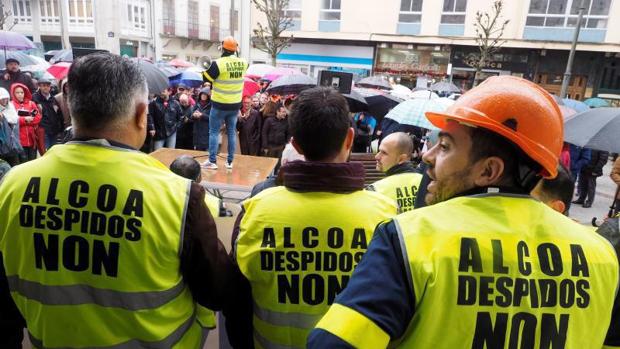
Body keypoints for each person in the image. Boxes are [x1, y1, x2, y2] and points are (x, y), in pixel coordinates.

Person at [308, 76, 620, 348]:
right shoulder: (601, 254)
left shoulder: (409, 237)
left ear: (488, 171)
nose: (427, 157)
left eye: (444, 147)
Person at [0, 53, 234, 348]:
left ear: (71, 108)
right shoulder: (179, 196)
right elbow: (218, 291)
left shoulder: (11, 186)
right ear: (141, 113)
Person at [224, 87, 398, 348]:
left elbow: (236, 303)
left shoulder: (255, 210)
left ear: (294, 144)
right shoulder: (386, 215)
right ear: (350, 139)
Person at [202, 36, 248, 170]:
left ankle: (212, 161)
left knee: (214, 132)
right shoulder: (244, 63)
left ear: (223, 48)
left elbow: (206, 78)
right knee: (231, 132)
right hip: (234, 105)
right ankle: (229, 162)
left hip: (219, 105)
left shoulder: (218, 63)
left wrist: (206, 69)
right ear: (235, 49)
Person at [368, 132, 422, 212]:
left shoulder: (375, 189)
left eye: (384, 153)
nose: (377, 156)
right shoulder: (426, 183)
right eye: (379, 151)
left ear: (401, 159)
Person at [11, 83, 41, 162]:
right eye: (17, 92)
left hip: (32, 139)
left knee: (33, 161)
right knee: (23, 162)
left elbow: (38, 118)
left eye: (22, 92)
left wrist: (28, 120)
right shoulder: (11, 105)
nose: (20, 94)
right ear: (13, 93)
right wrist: (24, 119)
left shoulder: (31, 103)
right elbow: (12, 120)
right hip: (19, 140)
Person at [32, 78, 64, 150]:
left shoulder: (53, 98)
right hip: (43, 130)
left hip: (54, 129)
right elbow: (33, 113)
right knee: (45, 151)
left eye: (47, 85)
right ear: (39, 86)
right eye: (43, 85)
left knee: (53, 150)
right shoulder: (34, 98)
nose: (46, 87)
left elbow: (59, 114)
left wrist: (61, 128)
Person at [0, 87, 21, 166]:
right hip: (2, 145)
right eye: (2, 99)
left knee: (15, 166)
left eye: (6, 98)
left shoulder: (10, 108)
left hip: (12, 144)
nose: (5, 100)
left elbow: (15, 121)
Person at [191, 87, 212, 151]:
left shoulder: (211, 105)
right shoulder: (197, 104)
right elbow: (191, 116)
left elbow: (212, 118)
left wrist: (202, 115)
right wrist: (194, 115)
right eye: (202, 94)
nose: (203, 96)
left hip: (206, 131)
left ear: (208, 96)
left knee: (206, 152)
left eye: (205, 94)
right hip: (197, 131)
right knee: (198, 150)